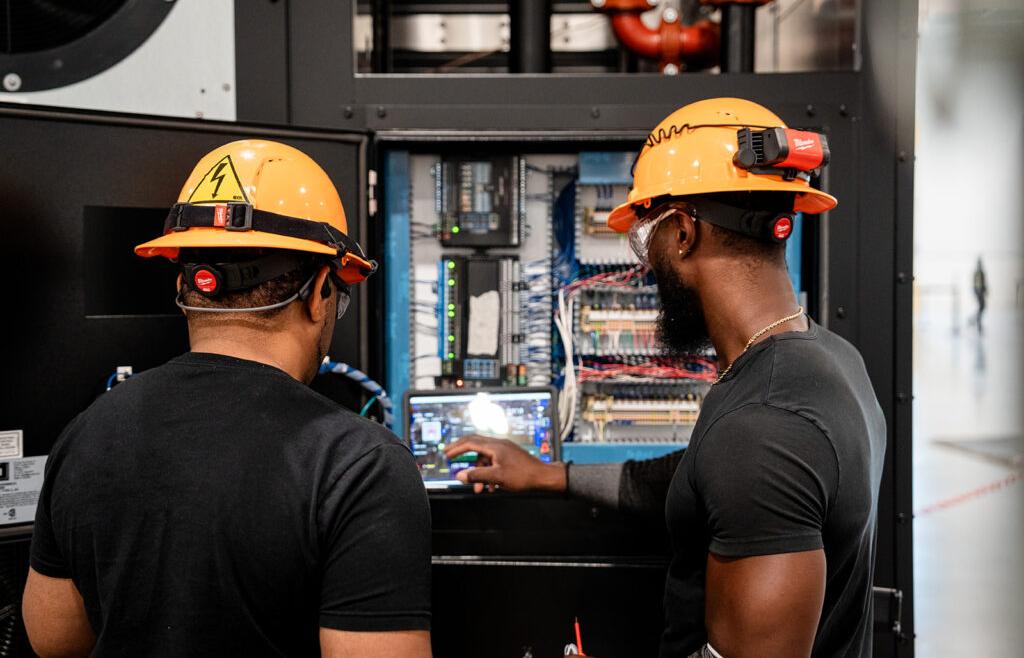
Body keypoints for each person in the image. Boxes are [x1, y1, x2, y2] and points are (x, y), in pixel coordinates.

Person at [445, 98, 887, 658]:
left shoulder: (763, 427)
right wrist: (547, 476)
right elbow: (703, 478)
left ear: (682, 233)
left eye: (643, 239)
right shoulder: (830, 360)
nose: (642, 264)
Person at [23, 141, 433, 657]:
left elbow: (53, 639)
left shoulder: (88, 431)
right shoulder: (359, 463)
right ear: (320, 291)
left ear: (186, 284)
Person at [973, 256, 988, 333]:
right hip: (980, 293)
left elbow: (983, 283)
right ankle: (977, 322)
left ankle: (976, 321)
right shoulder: (978, 273)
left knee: (982, 307)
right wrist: (978, 292)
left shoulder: (979, 272)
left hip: (980, 293)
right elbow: (977, 284)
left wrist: (985, 290)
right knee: (982, 307)